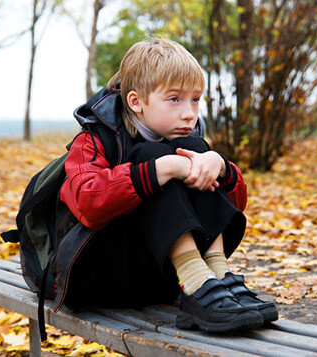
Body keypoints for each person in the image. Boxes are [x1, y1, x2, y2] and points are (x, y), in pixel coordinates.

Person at [59, 37, 278, 333]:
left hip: (162, 277)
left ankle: (215, 276)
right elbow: (88, 203)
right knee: (152, 157)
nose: (189, 112)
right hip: (99, 277)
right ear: (136, 102)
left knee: (194, 150)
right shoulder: (97, 137)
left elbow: (230, 208)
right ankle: (198, 282)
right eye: (174, 99)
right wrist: (159, 170)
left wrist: (221, 168)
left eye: (196, 99)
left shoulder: (189, 140)